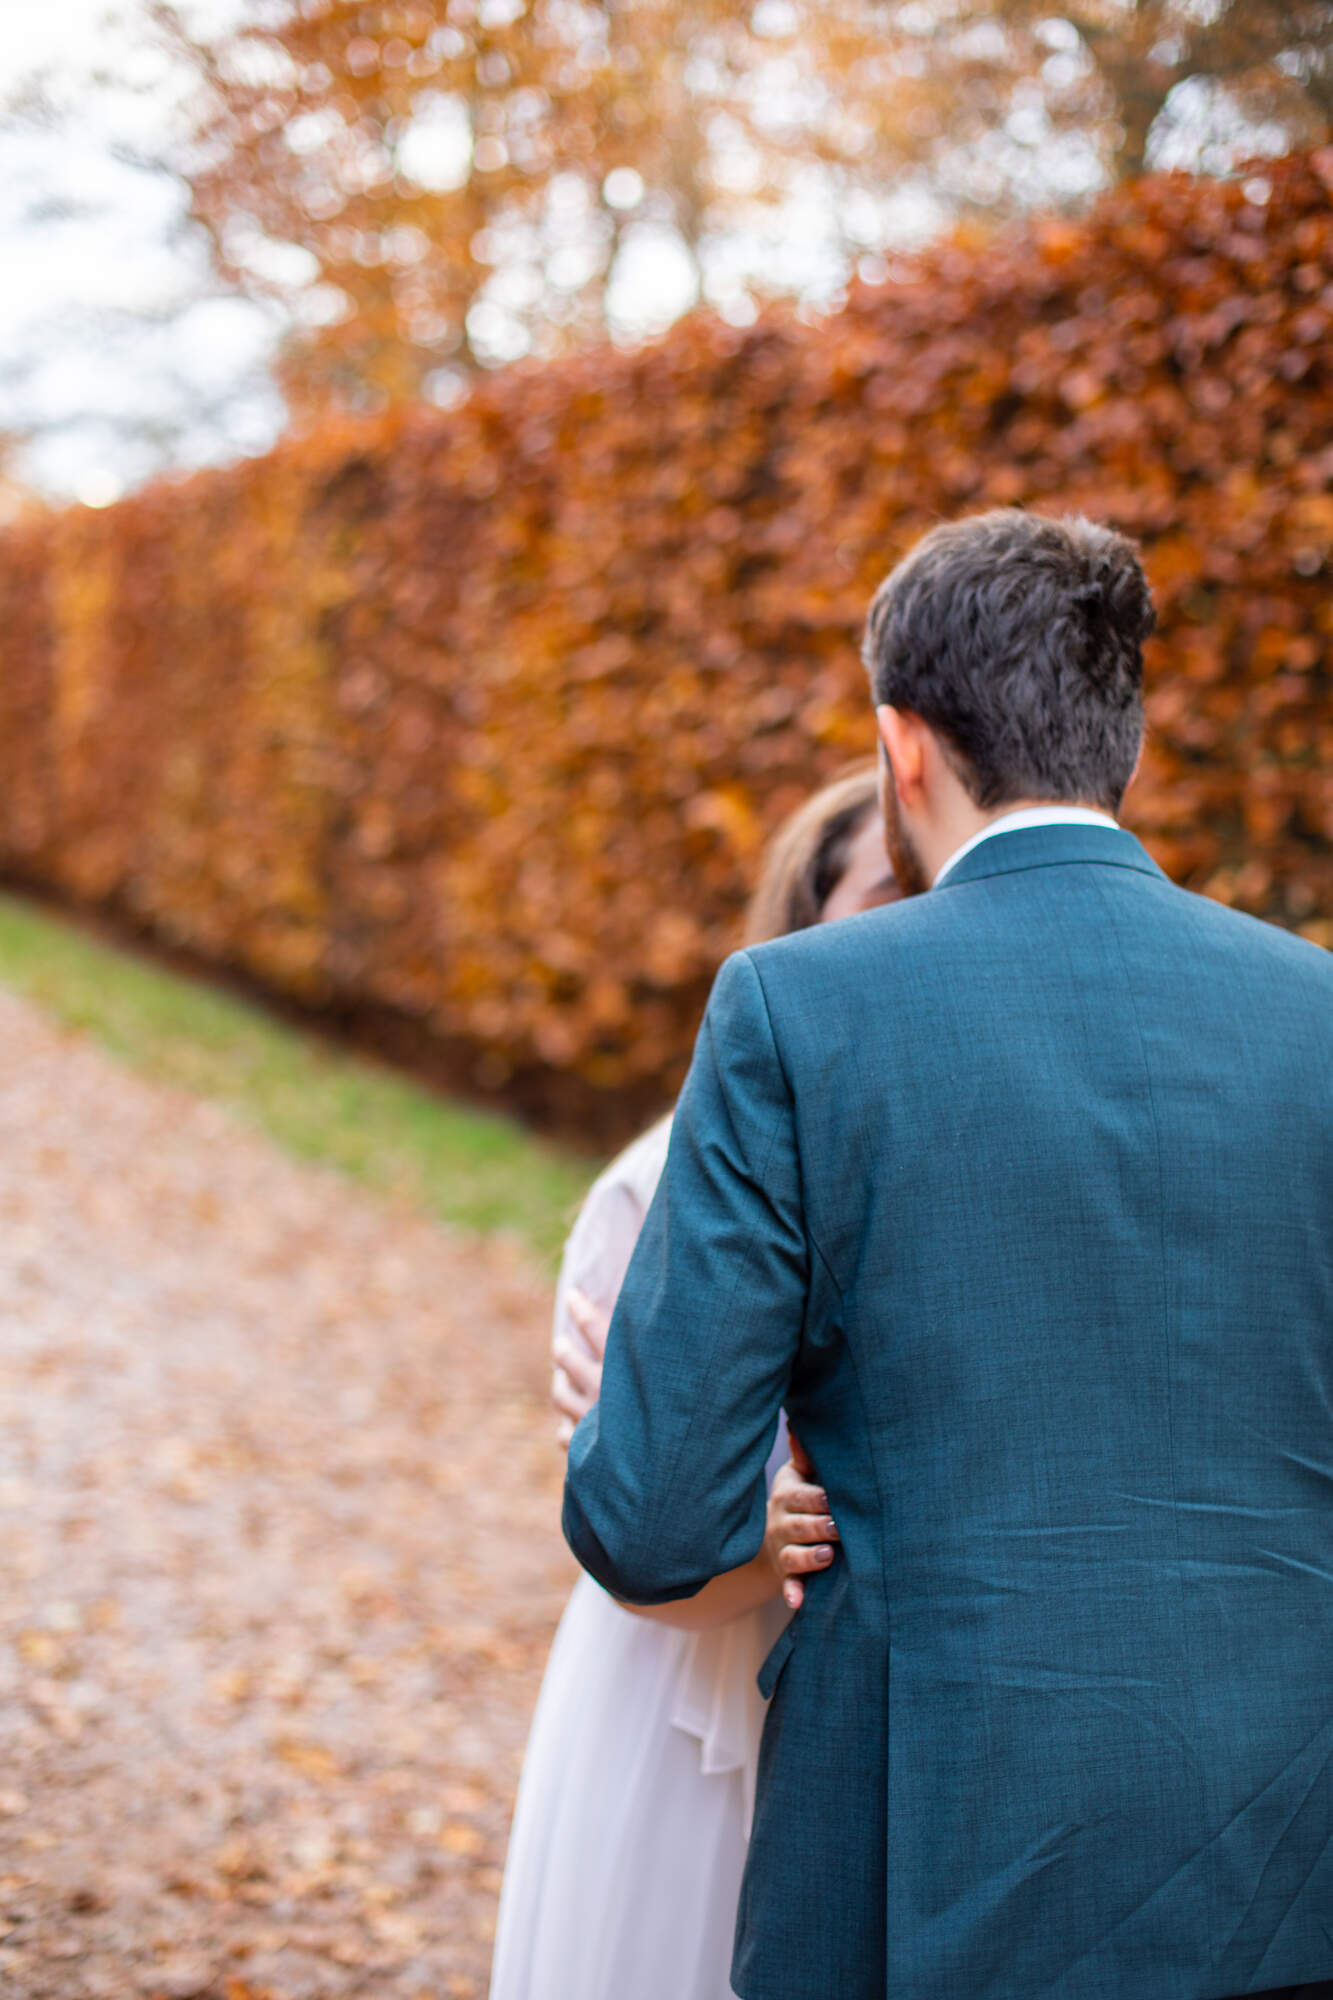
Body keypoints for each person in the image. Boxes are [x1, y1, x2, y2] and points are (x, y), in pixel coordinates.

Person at [564, 509, 1333, 2000]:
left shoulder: (795, 1009)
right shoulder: (1314, 1011)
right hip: (1288, 1856)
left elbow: (652, 1521)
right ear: (1123, 742)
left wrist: (637, 1420)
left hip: (921, 1858)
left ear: (901, 746)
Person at [489, 766, 899, 2000]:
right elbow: (643, 1547)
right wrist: (757, 1536)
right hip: (686, 1714)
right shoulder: (657, 1186)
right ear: (804, 920)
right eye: (888, 894)